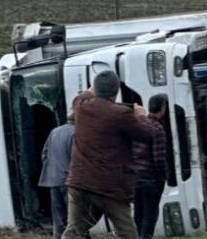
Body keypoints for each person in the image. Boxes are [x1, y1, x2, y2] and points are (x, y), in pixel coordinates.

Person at [62, 71, 150, 238]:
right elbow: (145, 135)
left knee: (73, 231)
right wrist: (141, 116)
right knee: (127, 233)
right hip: (109, 186)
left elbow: (86, 93)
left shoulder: (80, 104)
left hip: (79, 182)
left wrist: (93, 88)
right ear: (116, 92)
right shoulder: (120, 114)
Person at [133, 94, 169, 239]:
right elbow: (158, 159)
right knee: (150, 214)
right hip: (150, 178)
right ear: (162, 108)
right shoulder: (157, 129)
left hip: (135, 177)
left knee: (138, 213)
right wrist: (163, 177)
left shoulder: (137, 125)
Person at [39, 112, 76, 239]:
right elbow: (77, 159)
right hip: (69, 181)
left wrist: (51, 170)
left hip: (53, 179)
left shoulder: (54, 132)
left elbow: (44, 154)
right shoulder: (76, 133)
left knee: (58, 219)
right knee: (74, 219)